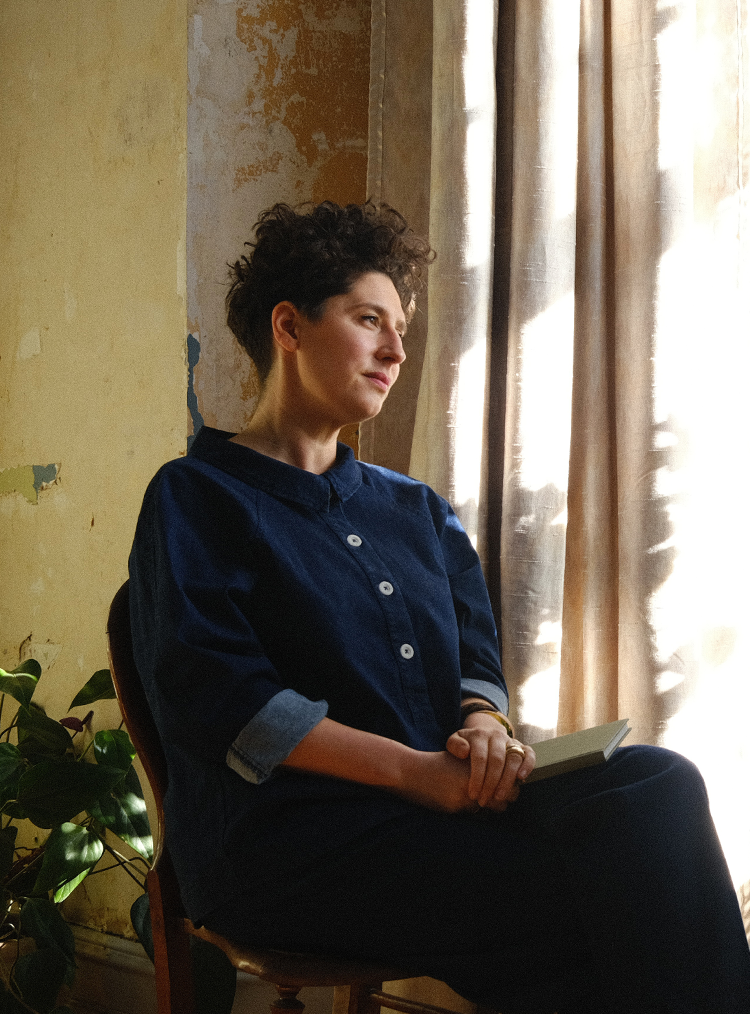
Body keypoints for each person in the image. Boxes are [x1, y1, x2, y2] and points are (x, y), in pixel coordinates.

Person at [129, 201, 750, 1014]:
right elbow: (220, 698)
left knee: (653, 783)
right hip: (290, 844)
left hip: (439, 816)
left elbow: (475, 663)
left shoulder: (416, 509)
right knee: (599, 902)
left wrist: (485, 732)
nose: (396, 350)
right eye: (368, 320)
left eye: (401, 329)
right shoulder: (197, 496)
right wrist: (415, 775)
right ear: (289, 326)